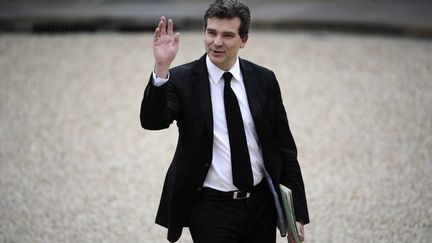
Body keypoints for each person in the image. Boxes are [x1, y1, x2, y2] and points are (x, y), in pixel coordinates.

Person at [140, 0, 309, 242]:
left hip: (262, 205)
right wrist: (161, 68)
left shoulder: (264, 80)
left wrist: (297, 215)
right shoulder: (181, 80)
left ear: (244, 40)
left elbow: (285, 150)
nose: (217, 42)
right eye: (211, 32)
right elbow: (153, 121)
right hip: (210, 207)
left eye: (227, 35)